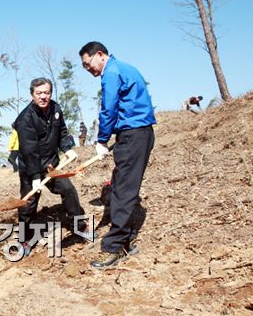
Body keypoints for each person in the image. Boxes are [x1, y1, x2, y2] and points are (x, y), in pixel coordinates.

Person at [79, 41, 155, 268]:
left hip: (133, 135)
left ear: (99, 55)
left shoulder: (111, 72)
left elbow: (109, 107)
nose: (88, 69)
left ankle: (113, 248)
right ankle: (127, 238)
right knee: (124, 187)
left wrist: (102, 140)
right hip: (136, 134)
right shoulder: (125, 67)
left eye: (87, 63)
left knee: (122, 191)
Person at [14, 77, 93, 256]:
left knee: (69, 190)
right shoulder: (25, 119)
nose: (43, 97)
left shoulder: (56, 109)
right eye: (39, 93)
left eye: (47, 93)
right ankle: (25, 240)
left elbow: (62, 131)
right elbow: (29, 150)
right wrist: (35, 177)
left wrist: (67, 148)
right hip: (30, 168)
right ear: (32, 95)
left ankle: (79, 227)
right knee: (28, 204)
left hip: (51, 165)